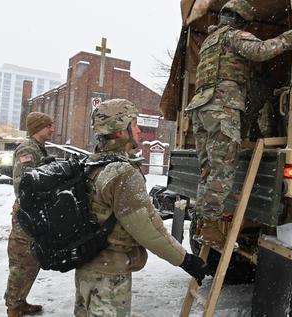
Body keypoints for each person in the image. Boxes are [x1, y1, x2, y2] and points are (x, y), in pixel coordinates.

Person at [74, 98, 209, 317]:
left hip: (88, 265)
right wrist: (186, 260)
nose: (138, 130)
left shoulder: (93, 163)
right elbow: (146, 229)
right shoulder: (122, 174)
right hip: (109, 272)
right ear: (120, 131)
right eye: (134, 124)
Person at [185, 0, 292, 248]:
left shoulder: (209, 42)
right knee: (223, 170)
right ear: (241, 20)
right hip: (221, 107)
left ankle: (204, 223)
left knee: (208, 171)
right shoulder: (233, 36)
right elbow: (261, 51)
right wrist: (290, 37)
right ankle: (212, 227)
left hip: (199, 108)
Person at [5, 112, 55, 317]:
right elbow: (23, 185)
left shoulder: (38, 149)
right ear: (37, 128)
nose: (52, 129)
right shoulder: (27, 149)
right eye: (48, 126)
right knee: (22, 262)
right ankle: (13, 307)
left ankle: (20, 301)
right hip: (26, 217)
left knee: (32, 261)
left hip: (35, 215)